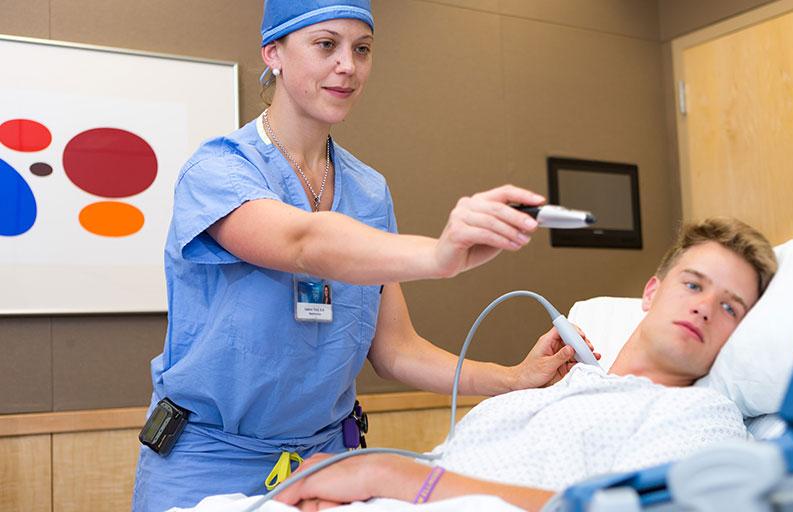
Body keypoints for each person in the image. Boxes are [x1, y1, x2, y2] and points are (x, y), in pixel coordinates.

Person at [132, 1, 589, 510]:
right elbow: (302, 244)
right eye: (326, 45)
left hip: (328, 464)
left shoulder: (368, 191)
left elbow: (395, 351)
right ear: (273, 53)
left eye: (362, 49)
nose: (348, 65)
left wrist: (510, 379)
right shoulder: (218, 170)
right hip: (209, 460)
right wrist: (440, 256)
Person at [272, 218, 778, 512]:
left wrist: (387, 476)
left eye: (730, 306)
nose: (705, 306)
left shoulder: (700, 416)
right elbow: (440, 469)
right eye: (693, 284)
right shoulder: (558, 384)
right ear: (651, 292)